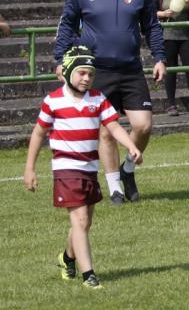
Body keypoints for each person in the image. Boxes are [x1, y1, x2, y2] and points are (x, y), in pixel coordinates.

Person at [55, 0, 165, 206]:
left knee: (143, 125)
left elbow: (152, 26)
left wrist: (160, 58)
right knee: (106, 131)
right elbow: (67, 25)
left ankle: (128, 169)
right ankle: (115, 187)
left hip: (131, 68)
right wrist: (60, 59)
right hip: (97, 70)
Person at [23, 47, 143, 290]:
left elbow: (114, 127)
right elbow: (38, 134)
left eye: (90, 74)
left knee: (84, 223)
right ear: (68, 72)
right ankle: (89, 274)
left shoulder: (97, 99)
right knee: (80, 219)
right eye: (81, 73)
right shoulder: (53, 101)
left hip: (90, 169)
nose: (87, 78)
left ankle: (67, 258)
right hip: (66, 169)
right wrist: (29, 168)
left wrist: (131, 146)